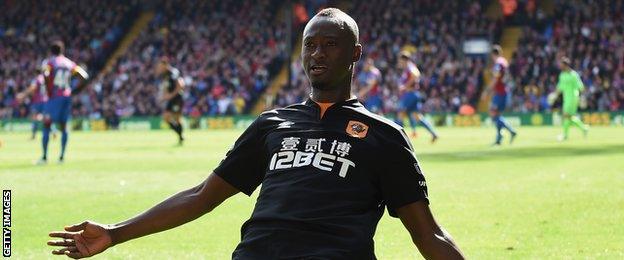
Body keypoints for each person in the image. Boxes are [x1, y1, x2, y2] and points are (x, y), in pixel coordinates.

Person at [48, 8, 464, 259]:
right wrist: (116, 233)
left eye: (330, 45)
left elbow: (428, 234)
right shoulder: (271, 125)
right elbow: (201, 197)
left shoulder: (383, 136)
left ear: (354, 54)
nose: (317, 54)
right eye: (310, 45)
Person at [37, 41, 89, 164]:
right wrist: (74, 91)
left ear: (51, 51)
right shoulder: (69, 63)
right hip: (66, 96)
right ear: (62, 51)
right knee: (64, 127)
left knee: (46, 125)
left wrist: (49, 90)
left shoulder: (50, 62)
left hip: (54, 97)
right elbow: (85, 77)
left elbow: (45, 73)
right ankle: (61, 157)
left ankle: (44, 157)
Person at [396, 51, 438, 142]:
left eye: (400, 60)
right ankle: (434, 134)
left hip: (410, 94)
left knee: (400, 113)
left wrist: (405, 86)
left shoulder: (410, 67)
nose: (399, 62)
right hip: (413, 94)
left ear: (404, 60)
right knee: (417, 117)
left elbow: (416, 75)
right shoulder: (408, 68)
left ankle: (398, 138)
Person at [552, 57, 589, 141]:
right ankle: (584, 128)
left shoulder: (573, 74)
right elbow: (559, 87)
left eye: (561, 65)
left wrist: (583, 96)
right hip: (566, 98)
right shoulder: (562, 75)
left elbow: (581, 86)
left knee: (566, 115)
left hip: (573, 97)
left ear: (565, 65)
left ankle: (565, 135)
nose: (560, 66)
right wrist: (554, 95)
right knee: (569, 117)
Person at [488, 45, 517, 145]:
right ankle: (499, 139)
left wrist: (488, 90)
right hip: (504, 91)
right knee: (497, 115)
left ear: (493, 54)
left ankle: (511, 131)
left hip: (501, 93)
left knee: (493, 114)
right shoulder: (504, 62)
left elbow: (496, 78)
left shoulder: (498, 63)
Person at [155, 57, 185, 145]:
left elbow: (181, 85)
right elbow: (166, 87)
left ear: (165, 65)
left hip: (177, 98)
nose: (159, 68)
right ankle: (180, 136)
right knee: (166, 118)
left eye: (160, 66)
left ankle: (180, 137)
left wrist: (170, 96)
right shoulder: (164, 75)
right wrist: (164, 97)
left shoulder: (173, 72)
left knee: (176, 119)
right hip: (171, 99)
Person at [16, 73, 48, 140]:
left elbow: (32, 88)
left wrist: (23, 94)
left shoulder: (37, 79)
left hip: (38, 101)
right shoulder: (44, 79)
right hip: (45, 100)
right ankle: (54, 132)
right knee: (45, 118)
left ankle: (33, 135)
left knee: (35, 117)